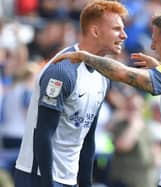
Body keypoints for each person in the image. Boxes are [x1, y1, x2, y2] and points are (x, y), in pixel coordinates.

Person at [52, 12, 161, 187]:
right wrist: (159, 68)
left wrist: (85, 56)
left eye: (155, 40)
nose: (153, 47)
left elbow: (123, 74)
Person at [14, 1, 128, 187]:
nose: (124, 35)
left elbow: (88, 138)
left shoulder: (103, 76)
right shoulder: (62, 72)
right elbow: (43, 135)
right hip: (38, 177)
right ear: (95, 31)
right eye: (117, 29)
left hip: (69, 179)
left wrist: (84, 183)